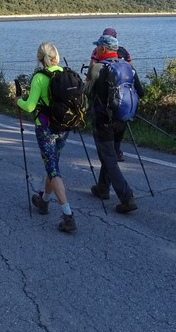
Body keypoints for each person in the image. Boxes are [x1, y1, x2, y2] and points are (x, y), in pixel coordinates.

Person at [16, 42, 76, 233]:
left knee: (52, 169)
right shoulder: (65, 73)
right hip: (64, 126)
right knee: (53, 164)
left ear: (39, 59)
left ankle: (68, 215)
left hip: (45, 128)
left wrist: (18, 101)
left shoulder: (39, 78)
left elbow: (30, 106)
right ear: (56, 55)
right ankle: (43, 201)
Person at [85, 34, 144, 214]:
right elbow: (141, 91)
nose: (96, 50)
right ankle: (102, 187)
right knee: (109, 153)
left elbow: (85, 92)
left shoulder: (97, 68)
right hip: (123, 118)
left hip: (104, 119)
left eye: (98, 47)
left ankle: (126, 197)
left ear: (103, 49)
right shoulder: (128, 66)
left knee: (109, 158)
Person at [87, 27, 132, 161]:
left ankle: (117, 179)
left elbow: (91, 71)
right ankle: (116, 153)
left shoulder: (97, 52)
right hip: (123, 107)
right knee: (112, 150)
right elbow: (132, 72)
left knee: (107, 155)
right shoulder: (124, 52)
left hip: (102, 110)